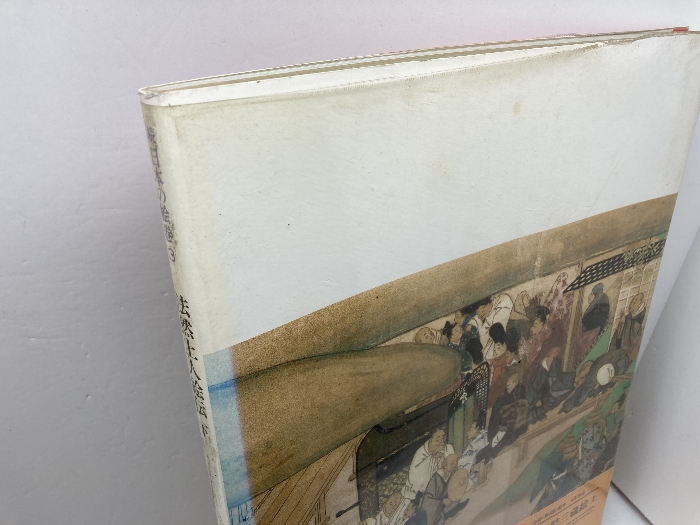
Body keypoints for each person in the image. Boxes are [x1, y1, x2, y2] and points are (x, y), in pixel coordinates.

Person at [476, 372, 528, 465]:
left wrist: (498, 445)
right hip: (498, 431)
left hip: (507, 432)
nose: (507, 384)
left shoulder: (519, 400)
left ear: (515, 383)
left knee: (488, 453)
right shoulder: (504, 397)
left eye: (509, 383)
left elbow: (515, 425)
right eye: (507, 382)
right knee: (482, 453)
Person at [402, 429, 455, 500]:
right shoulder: (421, 453)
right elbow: (413, 477)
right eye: (437, 440)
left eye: (442, 438)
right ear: (430, 441)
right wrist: (432, 457)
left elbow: (451, 466)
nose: (441, 442)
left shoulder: (447, 448)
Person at [465, 294, 514, 360]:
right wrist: (471, 323)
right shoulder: (485, 312)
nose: (479, 316)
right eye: (477, 313)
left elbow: (495, 325)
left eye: (481, 311)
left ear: (487, 305)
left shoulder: (502, 302)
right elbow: (477, 318)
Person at [421, 454, 459, 525]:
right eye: (452, 463)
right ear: (445, 465)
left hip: (443, 508)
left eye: (456, 462)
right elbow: (427, 499)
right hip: (433, 510)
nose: (455, 465)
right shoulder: (436, 478)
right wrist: (442, 501)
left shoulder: (452, 475)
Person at [457, 422, 489, 491]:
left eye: (471, 428)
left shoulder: (480, 441)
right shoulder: (475, 443)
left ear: (477, 429)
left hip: (472, 478)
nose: (468, 432)